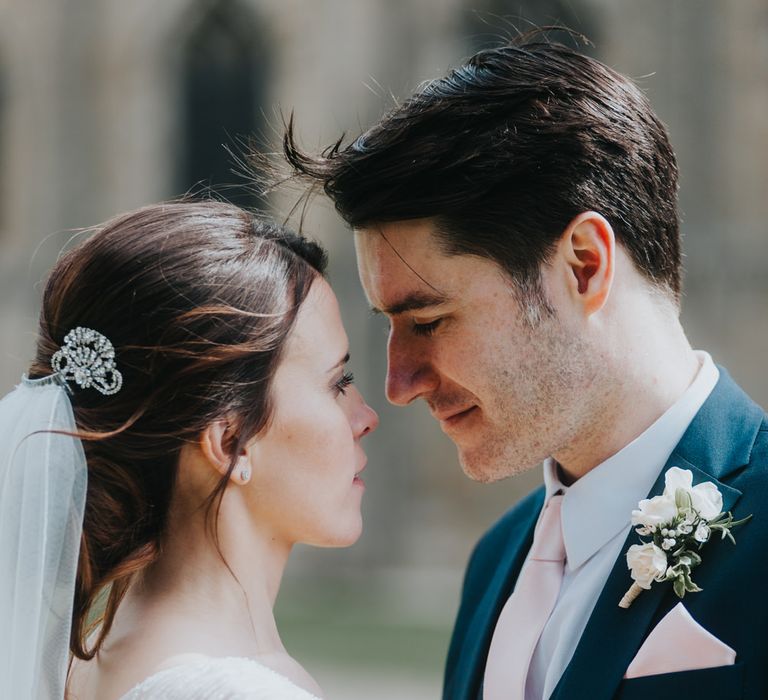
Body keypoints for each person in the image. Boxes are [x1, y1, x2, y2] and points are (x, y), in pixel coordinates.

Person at [282, 36, 768, 699]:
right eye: (389, 327)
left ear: (584, 264)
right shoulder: (494, 565)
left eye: (427, 321)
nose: (397, 385)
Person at [0, 201, 378, 699]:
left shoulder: (77, 667)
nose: (366, 418)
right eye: (338, 381)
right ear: (230, 443)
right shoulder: (234, 690)